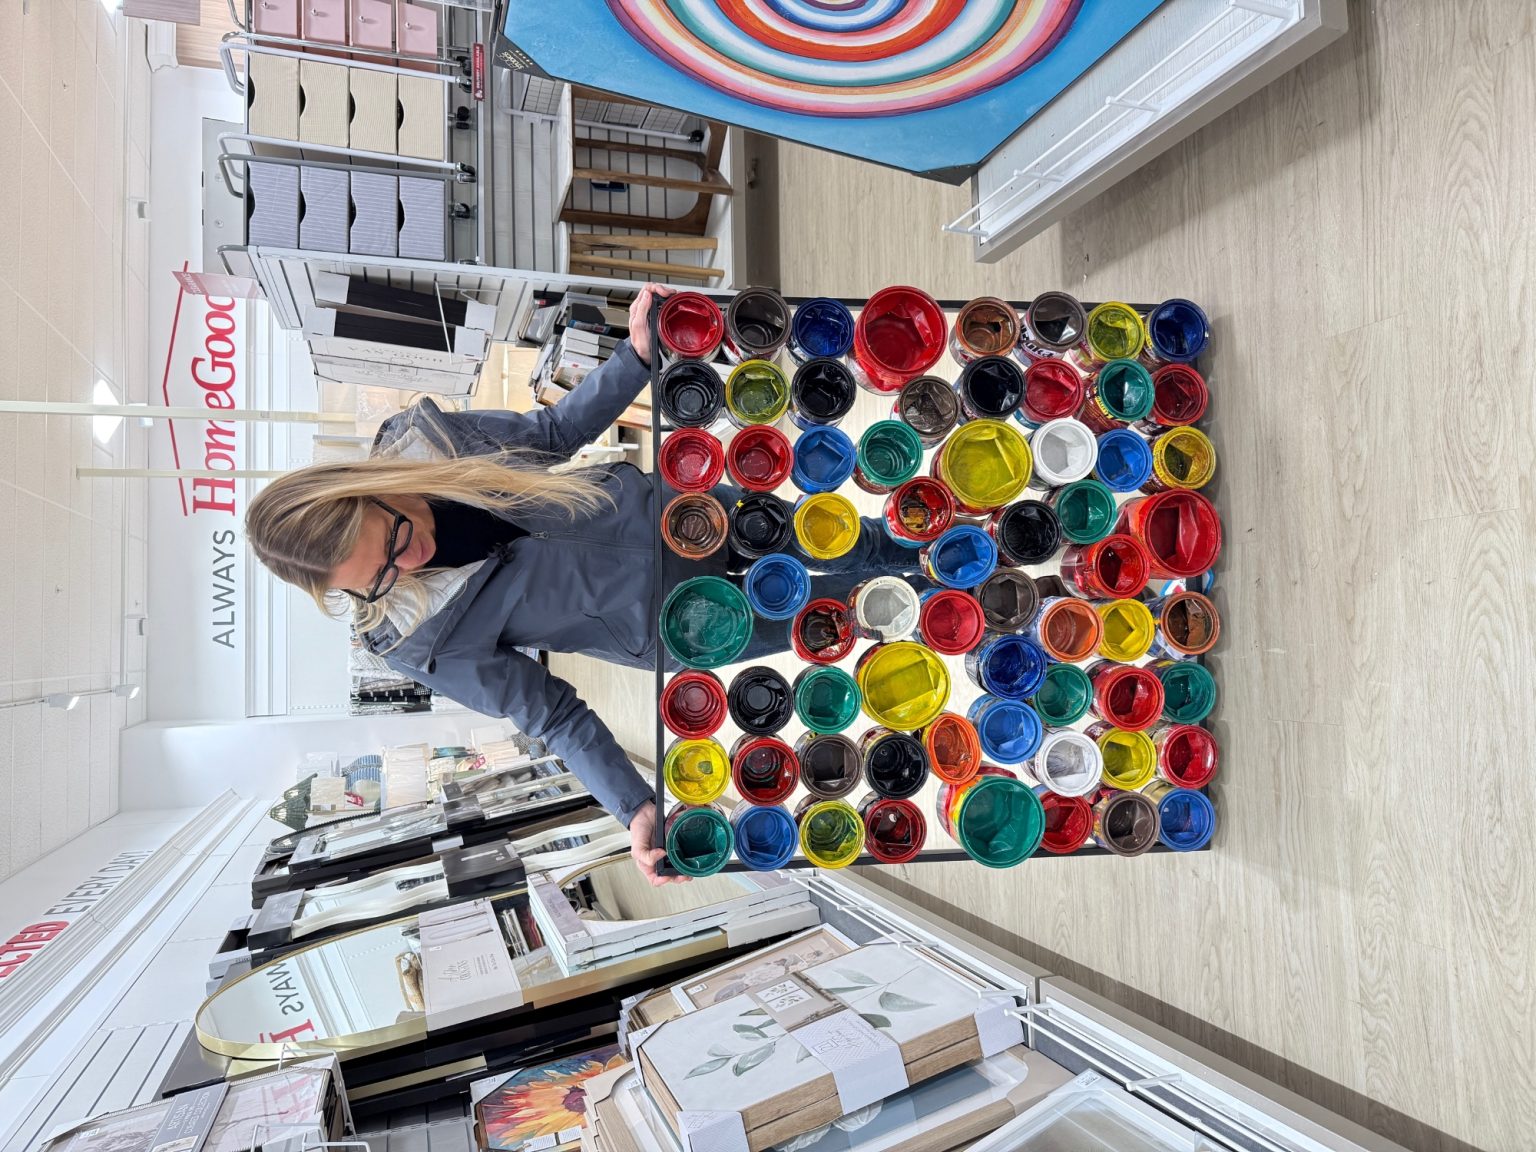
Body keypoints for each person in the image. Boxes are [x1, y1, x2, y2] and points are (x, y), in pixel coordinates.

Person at [246, 284, 921, 885]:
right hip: (677, 623)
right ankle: (969, 601)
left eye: (392, 537)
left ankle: (947, 548)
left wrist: (634, 356)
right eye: (380, 578)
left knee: (852, 540)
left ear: (371, 488)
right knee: (849, 617)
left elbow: (551, 434)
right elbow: (552, 713)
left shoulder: (430, 446)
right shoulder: (413, 641)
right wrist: (634, 806)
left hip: (680, 516)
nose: (410, 561)